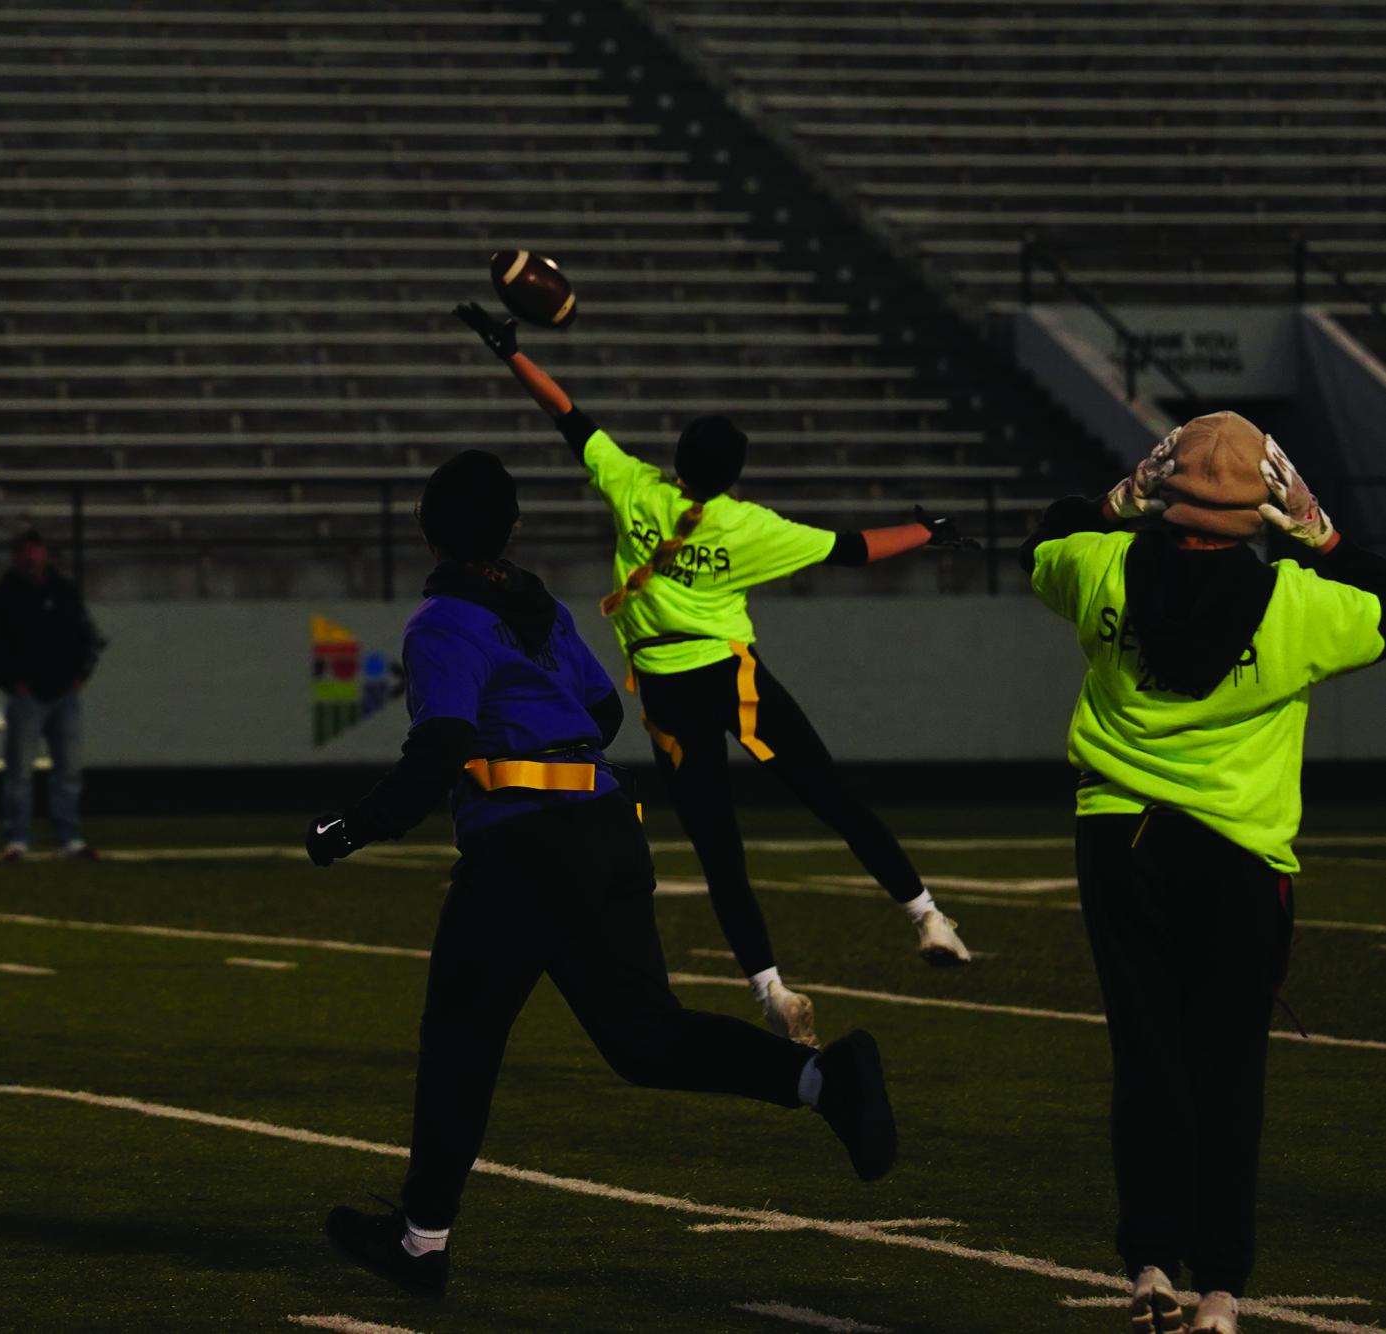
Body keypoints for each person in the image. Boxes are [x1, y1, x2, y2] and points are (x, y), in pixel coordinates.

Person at [306, 451, 897, 1298]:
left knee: (459, 1047)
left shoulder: (441, 622)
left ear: (430, 533)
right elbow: (602, 709)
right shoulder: (539, 608)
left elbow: (437, 747)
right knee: (645, 1037)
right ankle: (818, 1080)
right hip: (607, 831)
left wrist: (348, 829)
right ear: (508, 528)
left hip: (523, 847)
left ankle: (421, 1243)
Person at [454, 302, 973, 1045]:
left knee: (716, 850)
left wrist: (510, 351)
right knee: (829, 795)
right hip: (733, 676)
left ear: (676, 460)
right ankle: (926, 916)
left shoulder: (635, 489)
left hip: (666, 691)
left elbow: (569, 417)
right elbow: (854, 549)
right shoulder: (748, 526)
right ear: (731, 475)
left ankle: (770, 994)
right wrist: (929, 530)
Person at [1021, 413, 1386, 1334]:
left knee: (1145, 1057)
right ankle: (1220, 1287)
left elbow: (1047, 538)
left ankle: (1148, 1261)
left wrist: (1117, 498)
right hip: (1235, 853)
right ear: (1262, 505)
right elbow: (1378, 598)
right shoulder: (1300, 603)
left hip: (1118, 839)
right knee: (1227, 1071)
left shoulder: (1097, 570)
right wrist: (1317, 525)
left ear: (1161, 488)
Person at [0, 529, 105, 862]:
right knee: (20, 770)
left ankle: (68, 836)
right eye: (24, 551)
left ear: (45, 554)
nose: (31, 557)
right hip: (27, 694)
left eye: (35, 550)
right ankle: (18, 837)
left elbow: (86, 635)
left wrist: (79, 677)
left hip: (64, 693)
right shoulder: (3, 595)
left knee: (68, 769)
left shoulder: (63, 591)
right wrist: (10, 682)